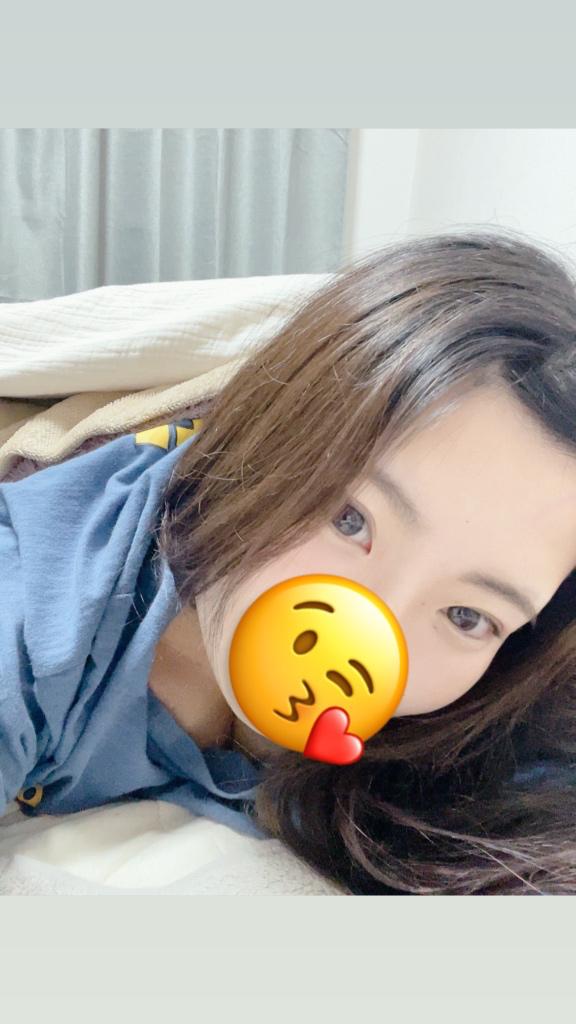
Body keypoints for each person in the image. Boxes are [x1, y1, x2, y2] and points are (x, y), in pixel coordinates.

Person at [2, 227, 575, 894]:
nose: (369, 633)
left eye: (466, 615)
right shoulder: (43, 607)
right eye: (350, 519)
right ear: (269, 441)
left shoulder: (486, 705)